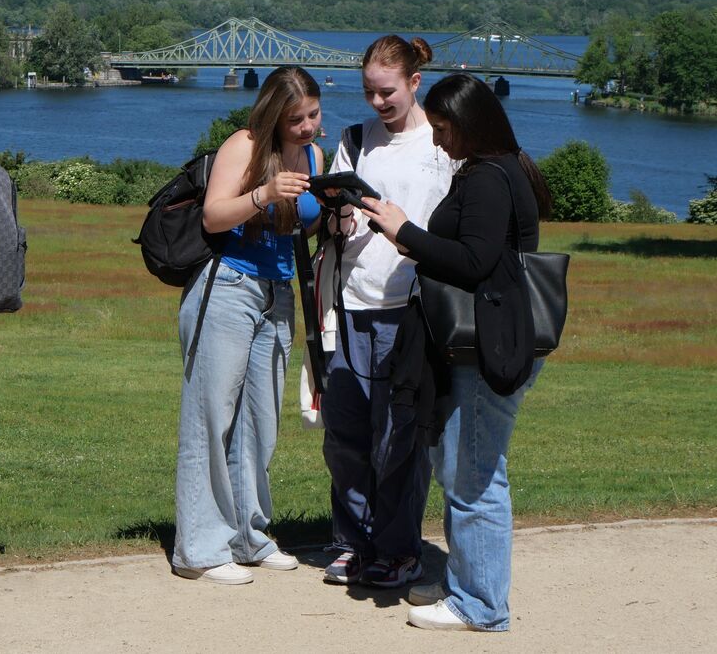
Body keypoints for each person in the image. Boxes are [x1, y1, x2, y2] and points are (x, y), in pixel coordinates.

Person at [361, 72, 553, 631]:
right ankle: (467, 584)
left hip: (485, 345)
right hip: (483, 341)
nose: (438, 139)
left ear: (470, 126)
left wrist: (405, 231)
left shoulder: (490, 176)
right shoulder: (500, 168)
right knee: (461, 465)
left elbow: (474, 262)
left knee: (474, 475)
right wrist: (406, 236)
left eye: (444, 129)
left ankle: (483, 606)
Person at [171, 66, 324, 585]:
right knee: (211, 417)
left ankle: (250, 537)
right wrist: (264, 193)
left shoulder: (315, 156)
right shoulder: (245, 144)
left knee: (261, 422)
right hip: (229, 287)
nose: (306, 127)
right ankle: (200, 548)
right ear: (273, 115)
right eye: (296, 119)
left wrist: (332, 214)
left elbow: (305, 222)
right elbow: (213, 217)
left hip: (278, 295)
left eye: (313, 115)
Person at [319, 35, 458, 588]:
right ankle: (352, 541)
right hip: (353, 302)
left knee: (400, 438)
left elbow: (452, 230)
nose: (377, 103)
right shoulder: (354, 142)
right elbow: (330, 220)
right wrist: (337, 220)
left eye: (387, 92)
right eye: (369, 93)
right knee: (346, 436)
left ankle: (398, 549)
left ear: (414, 83)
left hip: (412, 307)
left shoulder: (442, 146)